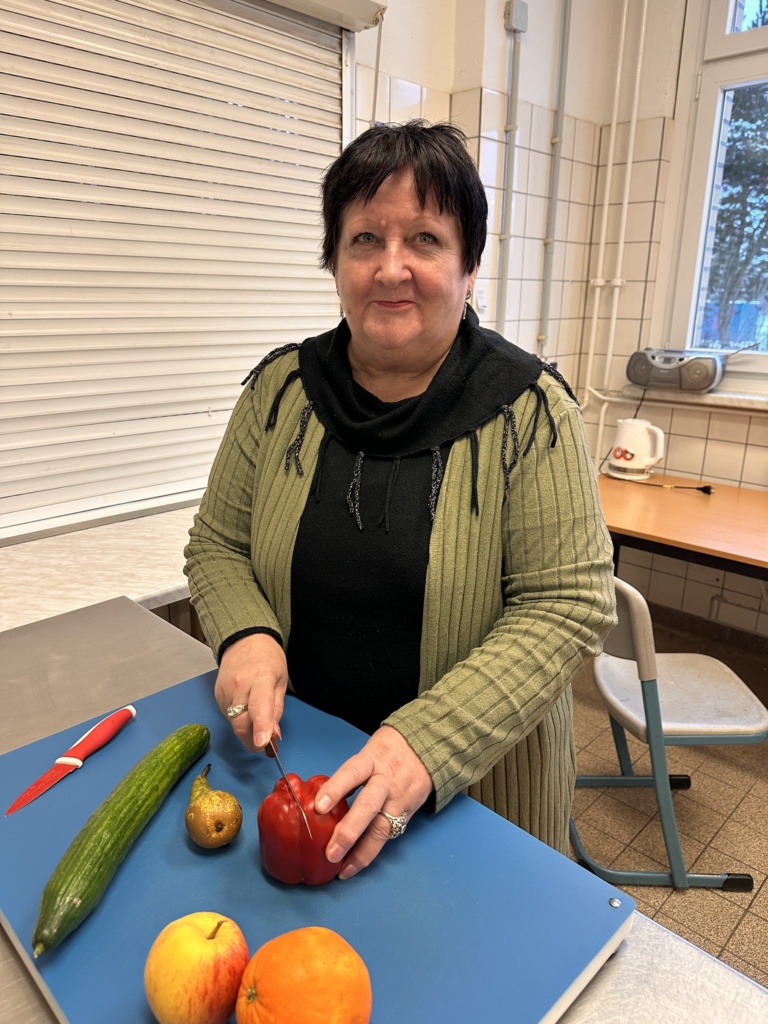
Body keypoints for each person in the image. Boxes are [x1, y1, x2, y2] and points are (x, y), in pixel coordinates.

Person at [184, 119, 616, 880]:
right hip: (298, 775)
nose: (392, 269)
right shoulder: (280, 391)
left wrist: (427, 743)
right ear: (335, 260)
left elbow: (568, 605)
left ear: (469, 264)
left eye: (424, 239)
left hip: (475, 797)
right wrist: (245, 633)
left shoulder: (533, 409)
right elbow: (217, 544)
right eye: (364, 240)